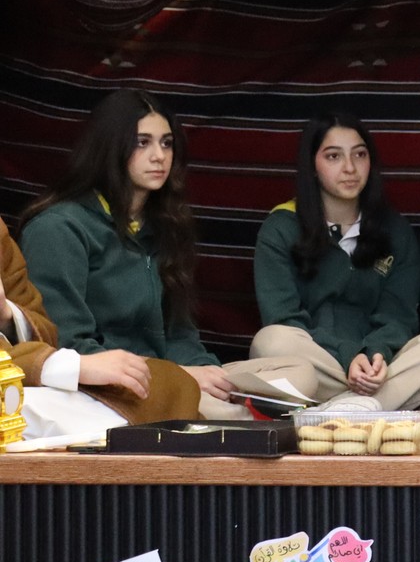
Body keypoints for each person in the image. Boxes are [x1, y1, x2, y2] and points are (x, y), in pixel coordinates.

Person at [19, 90, 318, 424]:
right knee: (231, 410)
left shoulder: (164, 225)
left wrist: (207, 373)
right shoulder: (59, 228)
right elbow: (67, 345)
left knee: (300, 373)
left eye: (166, 143)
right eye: (142, 143)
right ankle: (240, 418)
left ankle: (231, 413)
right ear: (110, 147)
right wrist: (180, 376)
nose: (159, 156)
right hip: (107, 385)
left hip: (172, 379)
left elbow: (180, 334)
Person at [250, 114, 420, 409]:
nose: (350, 168)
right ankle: (370, 407)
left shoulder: (394, 229)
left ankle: (346, 408)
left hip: (379, 366)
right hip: (317, 362)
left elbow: (398, 316)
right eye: (333, 156)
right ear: (312, 166)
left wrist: (374, 354)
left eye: (359, 154)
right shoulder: (281, 226)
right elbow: (283, 317)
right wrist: (348, 357)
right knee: (270, 341)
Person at [2, 215, 201, 437]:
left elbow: (42, 324)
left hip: (33, 375)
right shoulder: (56, 227)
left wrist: (7, 315)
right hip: (29, 384)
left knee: (170, 384)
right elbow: (68, 337)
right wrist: (70, 366)